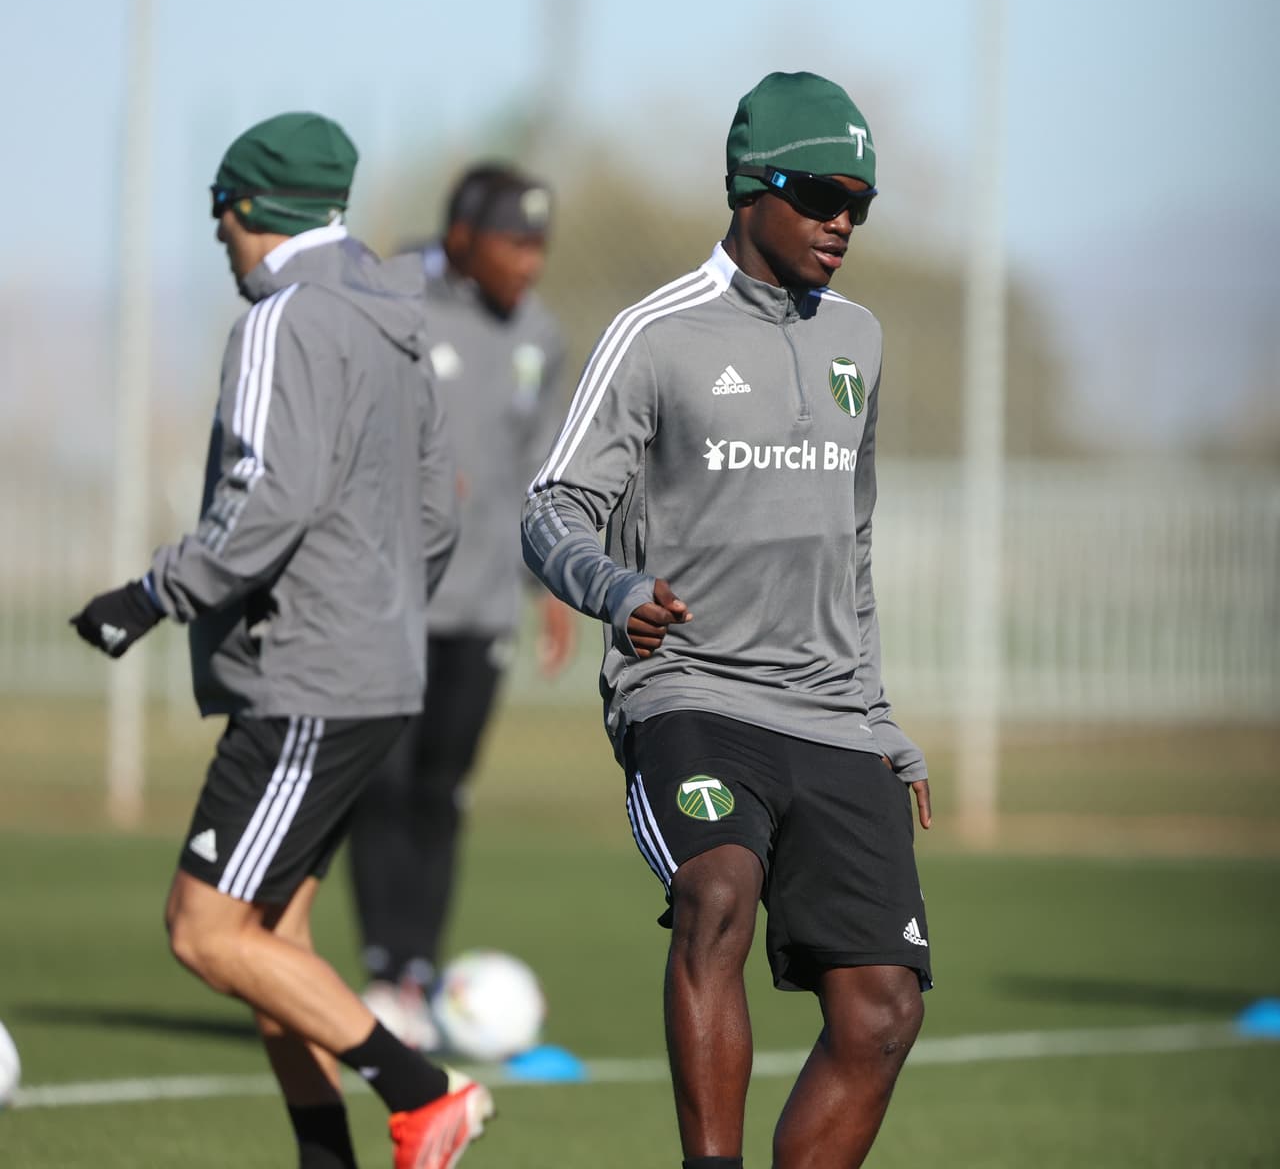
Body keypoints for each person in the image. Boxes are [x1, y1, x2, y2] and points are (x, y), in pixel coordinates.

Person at [521, 72, 933, 1168]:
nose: (841, 218)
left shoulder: (860, 340)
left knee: (882, 1010)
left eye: (861, 200)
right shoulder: (652, 335)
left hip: (832, 714)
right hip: (692, 693)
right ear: (749, 188)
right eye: (819, 192)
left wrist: (881, 717)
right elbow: (551, 507)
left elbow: (850, 545)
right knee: (716, 890)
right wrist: (612, 591)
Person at [70, 112, 493, 1169]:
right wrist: (386, 606)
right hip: (384, 669)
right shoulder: (397, 317)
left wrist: (152, 592)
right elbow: (438, 514)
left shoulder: (282, 318)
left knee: (204, 930)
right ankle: (326, 1159)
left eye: (220, 222)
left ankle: (424, 1091)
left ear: (243, 209)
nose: (220, 243)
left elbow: (268, 493)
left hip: (312, 675)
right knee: (272, 943)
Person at [348, 163, 574, 1046]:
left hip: (481, 604)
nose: (530, 262)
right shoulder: (391, 300)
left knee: (442, 793)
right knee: (382, 784)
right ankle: (380, 974)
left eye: (539, 245)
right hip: (388, 599)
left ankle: (417, 975)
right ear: (461, 238)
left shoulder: (539, 335)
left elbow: (537, 465)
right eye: (515, 242)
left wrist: (548, 579)